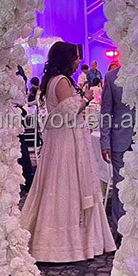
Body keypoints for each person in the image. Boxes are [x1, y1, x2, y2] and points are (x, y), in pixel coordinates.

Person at [21, 41, 115, 263]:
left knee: (59, 183)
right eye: (74, 57)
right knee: (66, 183)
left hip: (61, 138)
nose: (77, 62)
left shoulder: (52, 81)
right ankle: (64, 245)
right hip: (65, 140)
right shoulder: (61, 81)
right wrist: (86, 98)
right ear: (65, 59)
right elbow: (69, 111)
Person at [100, 61, 134, 242]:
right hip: (120, 139)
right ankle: (120, 231)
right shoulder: (111, 77)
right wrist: (104, 142)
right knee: (120, 187)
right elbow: (106, 112)